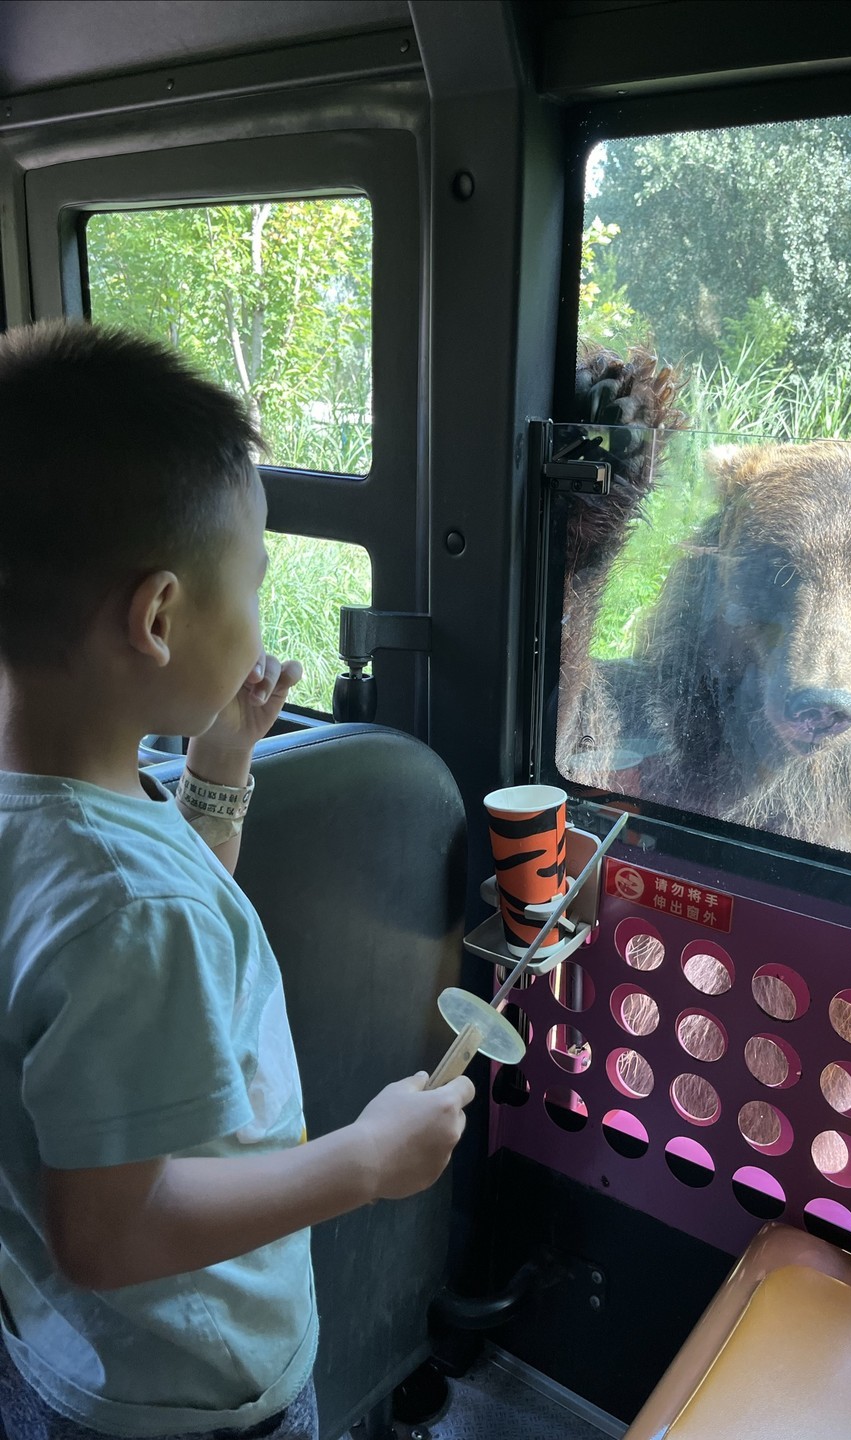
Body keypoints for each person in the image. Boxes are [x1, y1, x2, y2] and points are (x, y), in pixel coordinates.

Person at [0, 321, 474, 1439]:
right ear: (159, 617)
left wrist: (218, 771)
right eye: (252, 584)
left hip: (58, 1350)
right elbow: (111, 1232)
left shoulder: (70, 802)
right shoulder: (127, 906)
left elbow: (150, 945)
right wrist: (360, 1164)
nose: (259, 622)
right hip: (187, 1389)